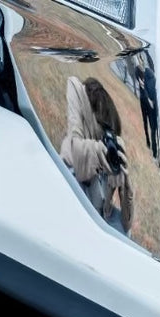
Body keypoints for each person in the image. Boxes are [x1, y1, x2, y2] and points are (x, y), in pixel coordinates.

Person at [59, 75, 132, 232]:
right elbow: (74, 157)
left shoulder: (99, 157)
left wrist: (125, 191)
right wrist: (100, 152)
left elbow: (121, 224)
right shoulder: (74, 148)